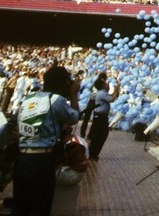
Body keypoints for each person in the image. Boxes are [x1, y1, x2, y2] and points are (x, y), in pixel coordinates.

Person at [11, 64, 79, 216]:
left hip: (21, 158)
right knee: (39, 206)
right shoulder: (56, 100)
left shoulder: (28, 99)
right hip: (42, 160)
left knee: (20, 206)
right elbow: (74, 117)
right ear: (64, 83)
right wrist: (74, 94)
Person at [87, 74, 119, 161]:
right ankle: (92, 153)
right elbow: (111, 99)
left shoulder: (103, 93)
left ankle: (93, 153)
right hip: (100, 117)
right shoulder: (101, 93)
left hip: (101, 117)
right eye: (105, 83)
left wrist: (115, 90)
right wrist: (116, 89)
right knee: (100, 135)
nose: (106, 84)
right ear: (102, 85)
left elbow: (110, 96)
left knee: (99, 135)